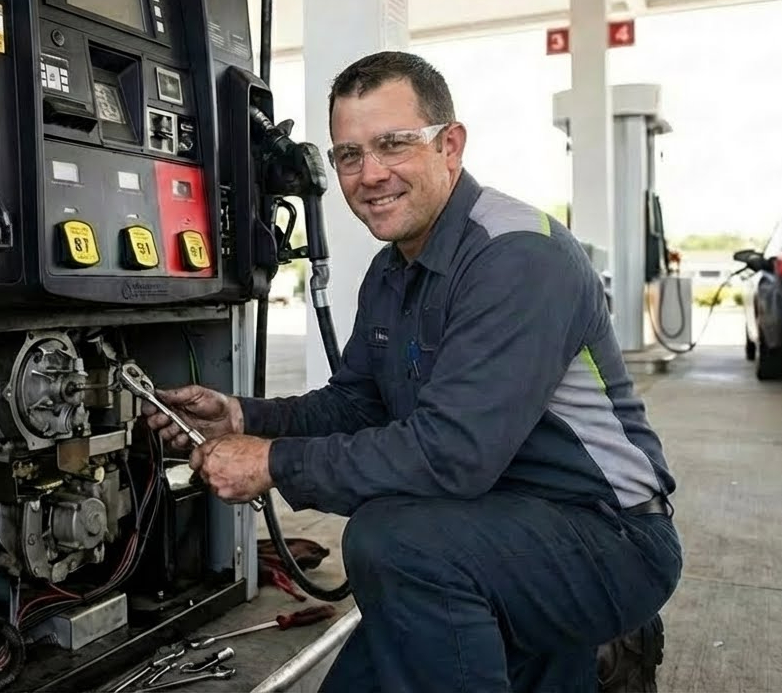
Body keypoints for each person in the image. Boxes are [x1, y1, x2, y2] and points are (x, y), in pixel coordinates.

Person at [142, 51, 683, 692]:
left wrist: (270, 461)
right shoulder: (394, 269)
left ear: (449, 145)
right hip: (497, 526)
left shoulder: (518, 258)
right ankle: (562, 662)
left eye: (394, 144)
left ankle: (587, 638)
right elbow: (355, 404)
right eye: (348, 155)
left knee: (396, 541)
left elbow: (454, 455)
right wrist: (242, 416)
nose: (370, 174)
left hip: (608, 539)